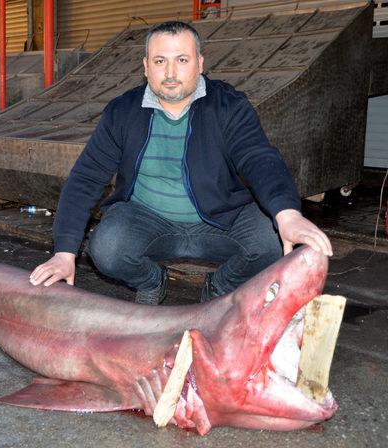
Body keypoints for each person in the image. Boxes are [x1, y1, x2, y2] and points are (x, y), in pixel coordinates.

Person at [30, 21, 332, 304]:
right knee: (107, 248)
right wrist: (65, 252)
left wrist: (287, 214)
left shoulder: (229, 106)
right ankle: (151, 281)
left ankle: (220, 287)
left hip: (221, 220)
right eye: (160, 61)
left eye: (182, 60)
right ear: (146, 67)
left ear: (200, 64)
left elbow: (258, 157)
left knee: (271, 242)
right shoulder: (122, 112)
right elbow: (86, 178)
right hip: (148, 220)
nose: (171, 72)